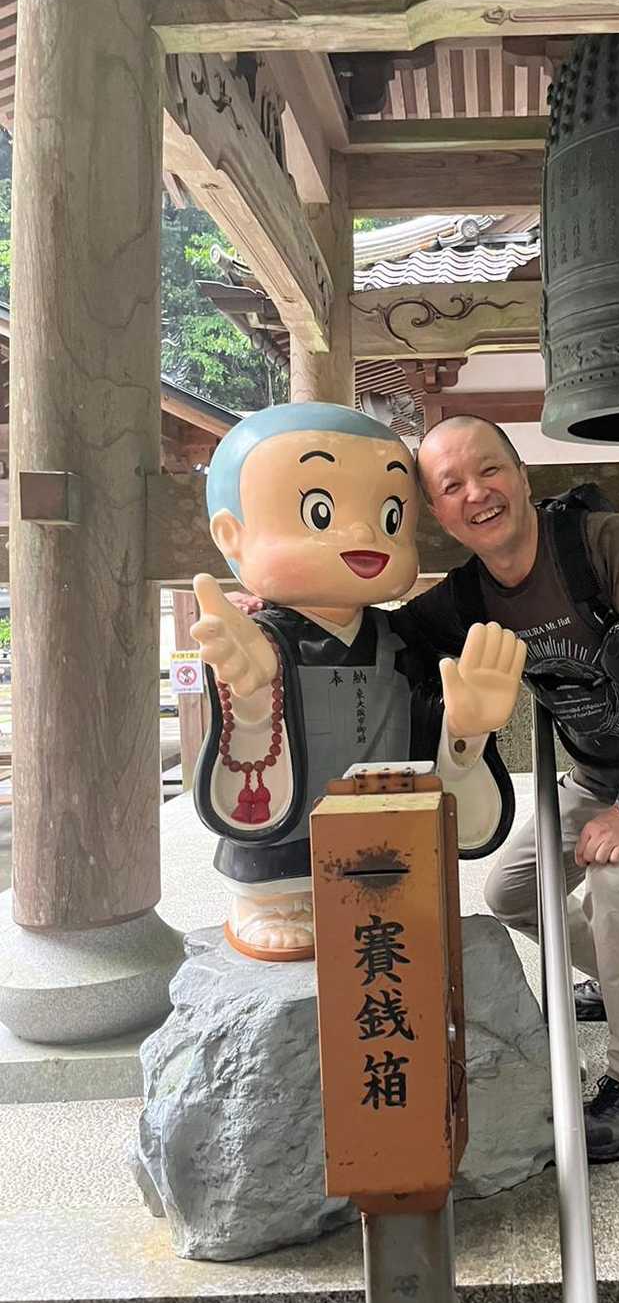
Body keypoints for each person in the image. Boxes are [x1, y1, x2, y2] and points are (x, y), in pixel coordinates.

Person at [395, 415, 619, 1163]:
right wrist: (291, 624)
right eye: (451, 486)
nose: (476, 494)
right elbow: (394, 640)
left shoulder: (595, 542)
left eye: (489, 471)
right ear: (438, 512)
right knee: (512, 891)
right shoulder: (467, 596)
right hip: (595, 774)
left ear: (522, 475)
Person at [190, 403, 524, 962]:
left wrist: (463, 734)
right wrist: (253, 702)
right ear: (232, 535)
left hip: (385, 845)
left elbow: (434, 748)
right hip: (286, 860)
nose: (365, 532)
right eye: (320, 512)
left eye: (391, 516)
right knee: (288, 880)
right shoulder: (259, 643)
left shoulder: (405, 642)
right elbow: (248, 749)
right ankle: (271, 901)